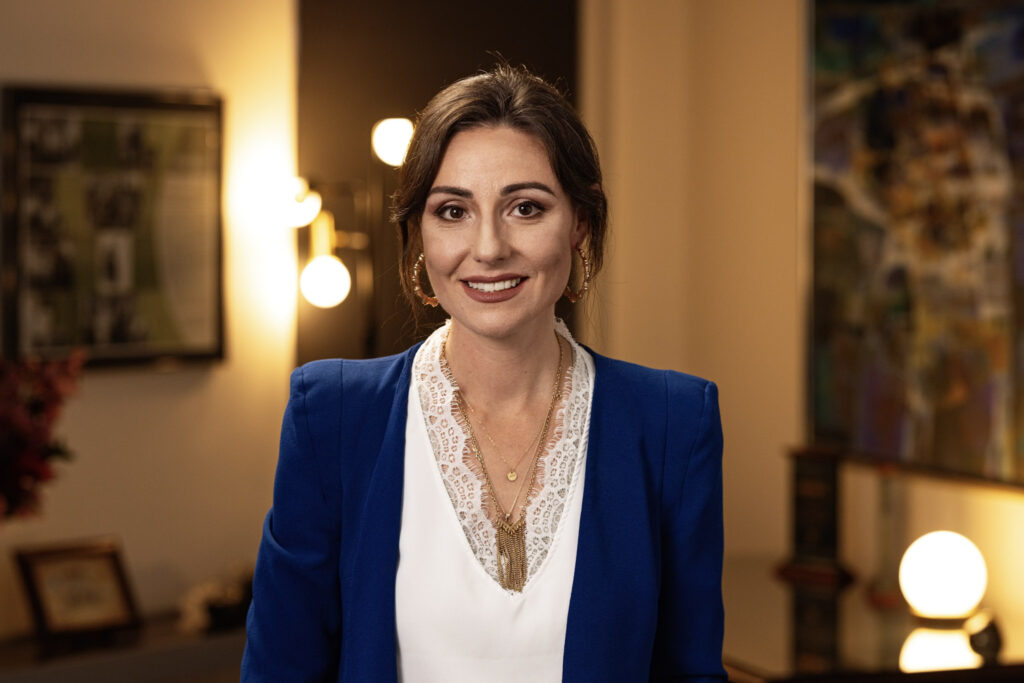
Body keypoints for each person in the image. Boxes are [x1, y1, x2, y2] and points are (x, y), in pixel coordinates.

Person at [242, 64, 725, 682]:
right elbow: (279, 670)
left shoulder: (672, 425)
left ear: (579, 222)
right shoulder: (332, 415)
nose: (490, 246)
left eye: (525, 207)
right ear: (420, 233)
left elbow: (691, 671)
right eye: (453, 211)